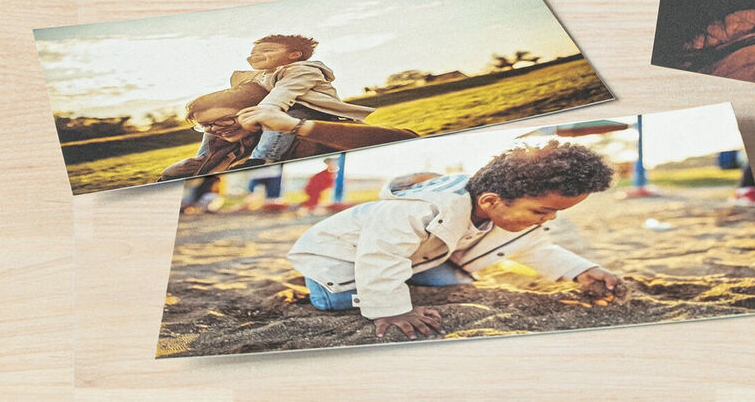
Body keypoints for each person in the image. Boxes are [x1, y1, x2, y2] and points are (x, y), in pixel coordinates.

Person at [287, 141, 621, 340]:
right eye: (543, 211)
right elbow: (381, 255)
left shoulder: (502, 212)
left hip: (420, 256)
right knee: (336, 300)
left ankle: (402, 282)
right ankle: (333, 284)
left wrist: (581, 270)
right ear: (491, 200)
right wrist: (392, 311)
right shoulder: (416, 211)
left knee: (456, 282)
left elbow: (534, 249)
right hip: (336, 255)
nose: (550, 219)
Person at [158, 89, 418, 182]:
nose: (217, 129)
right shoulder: (223, 148)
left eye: (227, 119)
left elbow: (406, 139)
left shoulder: (301, 137)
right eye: (207, 125)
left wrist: (297, 126)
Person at [192, 35, 372, 166]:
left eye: (267, 51)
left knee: (286, 119)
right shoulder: (262, 75)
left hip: (314, 112)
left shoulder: (303, 70)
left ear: (294, 55)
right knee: (213, 124)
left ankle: (262, 158)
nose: (255, 55)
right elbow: (243, 93)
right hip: (280, 109)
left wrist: (263, 112)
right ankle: (201, 158)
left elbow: (284, 91)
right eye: (253, 53)